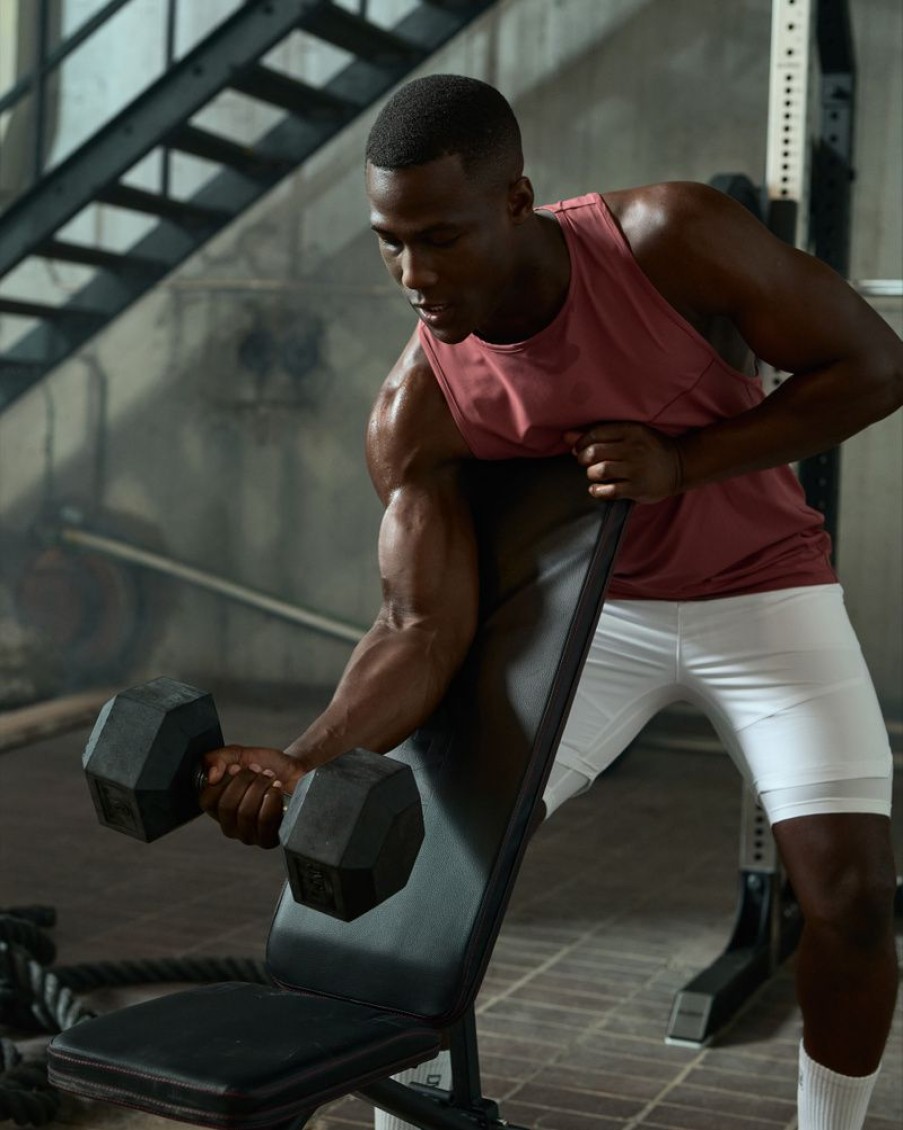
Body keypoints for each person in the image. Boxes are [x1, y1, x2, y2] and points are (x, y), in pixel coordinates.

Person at [199, 75, 902, 1130]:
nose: (414, 275)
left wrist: (686, 461)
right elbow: (420, 626)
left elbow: (875, 364)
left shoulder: (670, 237)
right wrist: (307, 755)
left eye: (440, 237)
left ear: (518, 198)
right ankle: (415, 1119)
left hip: (763, 591)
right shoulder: (417, 410)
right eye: (391, 242)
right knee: (416, 862)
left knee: (848, 897)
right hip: (591, 622)